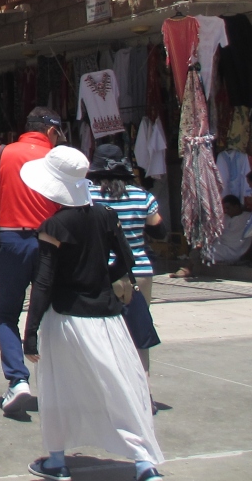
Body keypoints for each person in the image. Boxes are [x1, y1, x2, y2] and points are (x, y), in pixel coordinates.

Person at [21, 145, 163, 481]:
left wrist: (30, 332)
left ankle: (57, 460)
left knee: (58, 386)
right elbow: (127, 260)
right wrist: (102, 280)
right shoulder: (105, 215)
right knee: (121, 385)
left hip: (66, 317)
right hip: (107, 316)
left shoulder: (54, 226)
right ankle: (143, 461)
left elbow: (44, 283)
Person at [0, 106, 64, 414]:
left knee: (6, 314)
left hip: (12, 241)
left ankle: (17, 380)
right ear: (50, 131)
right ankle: (57, 383)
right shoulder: (57, 158)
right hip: (51, 242)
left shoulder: (2, 153)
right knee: (53, 312)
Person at [88, 144, 165, 370]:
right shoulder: (142, 196)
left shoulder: (87, 197)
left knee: (103, 335)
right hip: (138, 272)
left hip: (102, 273)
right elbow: (159, 231)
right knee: (138, 333)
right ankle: (143, 386)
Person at [172, 194, 252, 276]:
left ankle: (188, 269)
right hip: (220, 245)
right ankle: (188, 268)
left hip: (233, 251)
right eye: (224, 209)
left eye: (228, 208)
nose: (226, 211)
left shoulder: (248, 217)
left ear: (236, 207)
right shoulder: (225, 217)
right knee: (199, 246)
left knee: (202, 251)